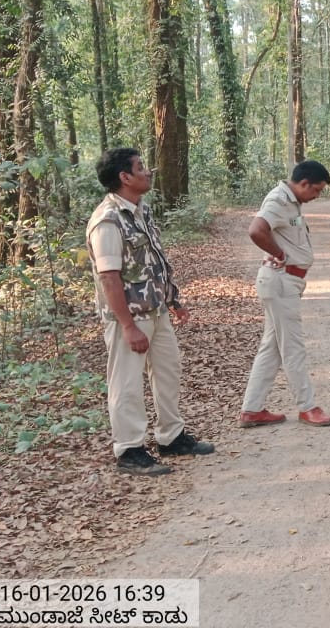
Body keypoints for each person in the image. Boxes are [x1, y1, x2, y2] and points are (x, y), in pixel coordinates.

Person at [86, 149, 215, 476]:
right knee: (127, 382)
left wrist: (172, 299)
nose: (149, 171)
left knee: (168, 372)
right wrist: (128, 327)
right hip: (128, 317)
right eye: (141, 168)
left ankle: (170, 437)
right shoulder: (107, 220)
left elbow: (153, 262)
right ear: (124, 178)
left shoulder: (141, 211)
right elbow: (109, 277)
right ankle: (129, 449)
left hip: (156, 310)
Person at [238, 160, 330, 428]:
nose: (316, 196)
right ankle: (307, 407)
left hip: (287, 282)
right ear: (303, 183)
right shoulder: (279, 200)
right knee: (293, 347)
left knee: (272, 348)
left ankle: (252, 409)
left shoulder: (292, 203)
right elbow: (256, 230)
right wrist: (280, 254)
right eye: (316, 190)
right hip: (280, 281)